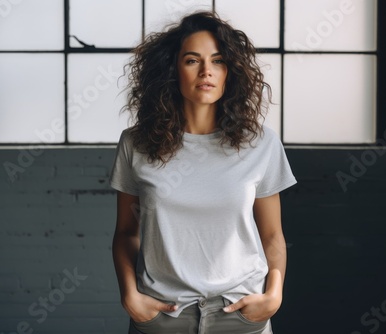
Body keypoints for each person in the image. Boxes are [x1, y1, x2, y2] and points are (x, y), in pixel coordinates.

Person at [109, 11, 297, 334]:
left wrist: (274, 293)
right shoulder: (136, 144)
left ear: (230, 72)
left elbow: (272, 235)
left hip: (241, 315)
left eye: (218, 61)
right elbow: (126, 233)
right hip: (162, 316)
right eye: (192, 61)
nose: (206, 72)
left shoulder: (261, 144)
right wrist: (129, 294)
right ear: (173, 69)